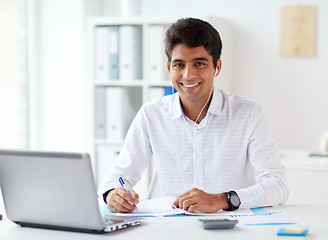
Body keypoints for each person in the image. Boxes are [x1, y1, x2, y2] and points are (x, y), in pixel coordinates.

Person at [98, 17, 289, 214]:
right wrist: (112, 193)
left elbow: (277, 186)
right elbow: (119, 174)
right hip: (166, 226)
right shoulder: (150, 114)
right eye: (179, 64)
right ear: (169, 68)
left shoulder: (249, 114)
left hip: (228, 228)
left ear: (217, 67)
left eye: (199, 63)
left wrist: (223, 199)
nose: (188, 75)